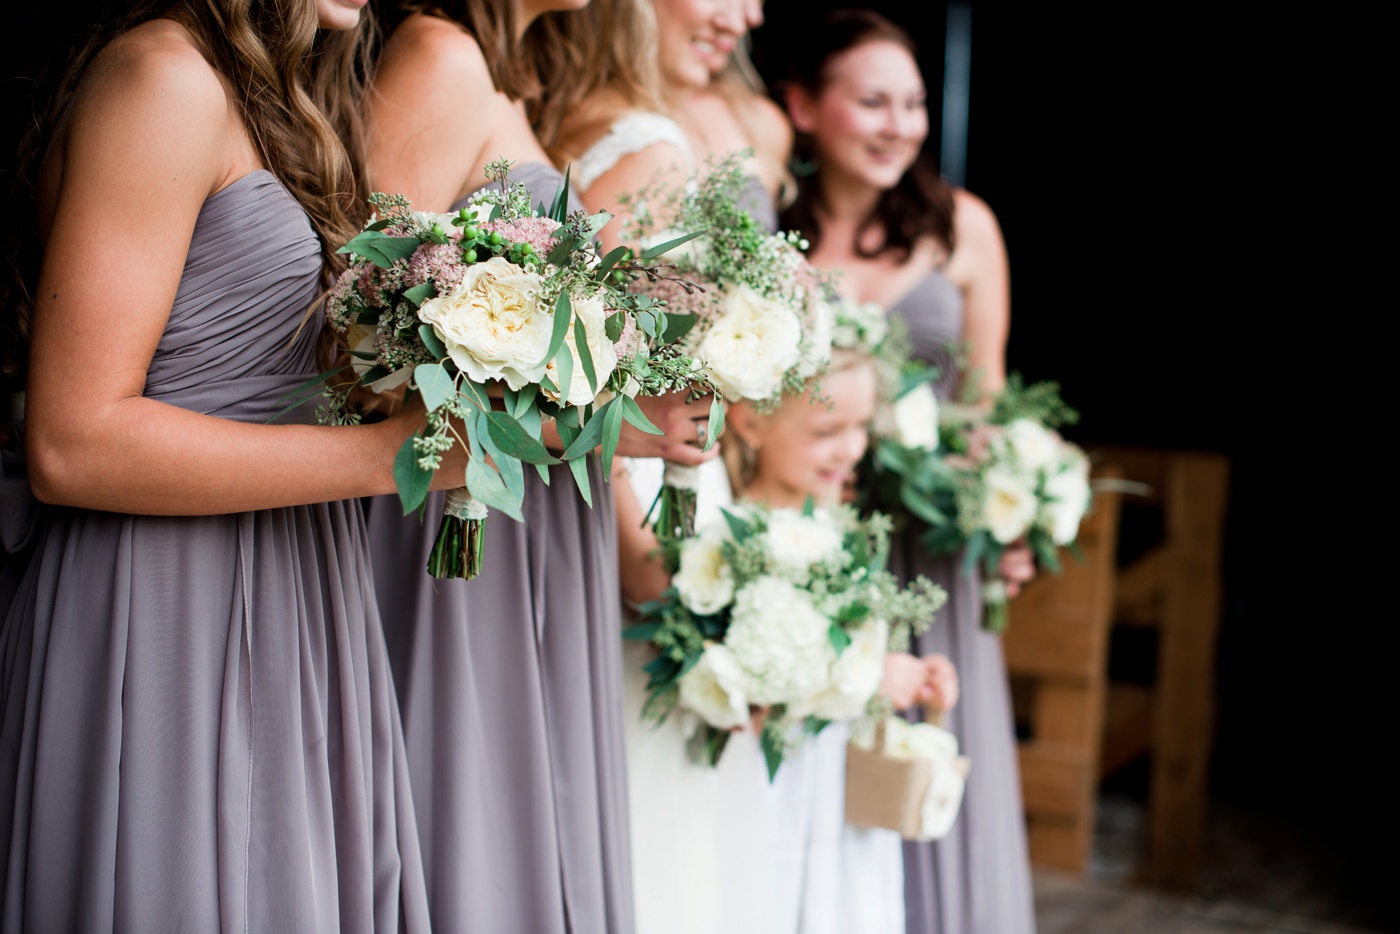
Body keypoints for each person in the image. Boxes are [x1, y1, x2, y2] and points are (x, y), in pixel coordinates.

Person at [0, 0, 440, 928]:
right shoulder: (162, 80)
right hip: (165, 599)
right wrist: (389, 455)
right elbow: (72, 443)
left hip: (300, 582)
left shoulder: (286, 101)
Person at [361, 1, 716, 929]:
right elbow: (359, 347)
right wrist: (602, 423)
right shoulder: (439, 56)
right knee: (471, 823)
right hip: (458, 515)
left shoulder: (515, 78)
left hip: (536, 518)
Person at [779, 10, 1037, 933]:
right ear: (804, 105)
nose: (901, 124)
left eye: (915, 103)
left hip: (929, 554)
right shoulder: (766, 225)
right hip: (808, 543)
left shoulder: (966, 228)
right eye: (873, 101)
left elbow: (987, 403)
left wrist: (1011, 514)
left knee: (926, 765)